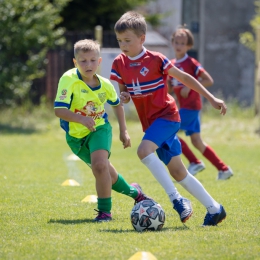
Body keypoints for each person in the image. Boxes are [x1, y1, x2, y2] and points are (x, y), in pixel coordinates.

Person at [110, 11, 227, 226]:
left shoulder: (156, 59)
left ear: (142, 39)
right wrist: (124, 97)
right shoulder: (119, 63)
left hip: (168, 116)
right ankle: (215, 209)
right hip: (151, 124)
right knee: (178, 171)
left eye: (127, 40)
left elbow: (184, 77)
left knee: (143, 151)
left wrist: (211, 97)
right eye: (119, 41)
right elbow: (123, 92)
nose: (123, 45)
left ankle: (176, 199)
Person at [54, 39, 152, 223]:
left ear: (99, 62)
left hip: (100, 129)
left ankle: (105, 212)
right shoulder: (68, 79)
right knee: (107, 173)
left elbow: (117, 105)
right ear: (75, 62)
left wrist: (124, 131)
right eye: (83, 61)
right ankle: (136, 193)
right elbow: (59, 110)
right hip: (75, 137)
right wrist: (81, 119)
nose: (88, 64)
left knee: (99, 166)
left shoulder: (105, 85)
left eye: (92, 60)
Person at [167, 26, 233, 180]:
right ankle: (223, 169)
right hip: (185, 107)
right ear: (172, 43)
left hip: (191, 107)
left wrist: (189, 88)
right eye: (176, 42)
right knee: (197, 141)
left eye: (182, 43)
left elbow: (208, 80)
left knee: (170, 131)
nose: (179, 46)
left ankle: (195, 162)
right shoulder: (170, 64)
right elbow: (170, 87)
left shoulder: (191, 63)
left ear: (189, 46)